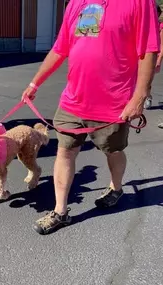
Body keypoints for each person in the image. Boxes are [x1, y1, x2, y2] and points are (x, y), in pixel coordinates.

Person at [22, 0, 160, 235]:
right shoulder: (77, 3)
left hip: (113, 103)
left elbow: (148, 49)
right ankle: (60, 211)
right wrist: (35, 82)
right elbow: (60, 48)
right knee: (64, 151)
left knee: (112, 150)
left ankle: (116, 188)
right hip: (73, 100)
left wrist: (139, 96)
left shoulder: (139, 2)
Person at [144, 4, 163, 110]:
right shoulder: (144, 25)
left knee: (148, 79)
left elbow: (162, 46)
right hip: (142, 55)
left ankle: (148, 97)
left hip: (153, 56)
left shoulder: (160, 26)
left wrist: (159, 60)